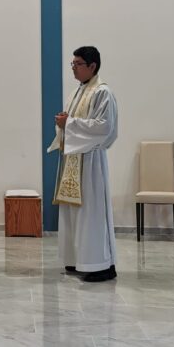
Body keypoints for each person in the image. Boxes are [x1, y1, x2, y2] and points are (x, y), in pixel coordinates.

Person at [47, 46, 119, 282]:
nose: (74, 68)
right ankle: (78, 260)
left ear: (92, 66)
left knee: (92, 213)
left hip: (90, 163)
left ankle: (101, 266)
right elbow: (73, 122)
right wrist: (64, 124)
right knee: (74, 213)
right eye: (73, 64)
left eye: (78, 64)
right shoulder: (78, 91)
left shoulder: (102, 92)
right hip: (73, 160)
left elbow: (104, 127)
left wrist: (71, 123)